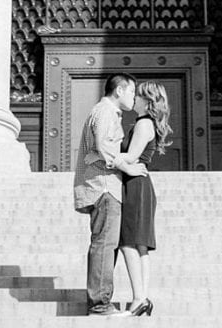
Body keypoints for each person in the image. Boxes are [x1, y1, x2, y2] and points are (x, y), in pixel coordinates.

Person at [72, 73, 145, 316]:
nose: (134, 98)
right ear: (119, 90)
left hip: (103, 186)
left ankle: (101, 301)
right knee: (104, 244)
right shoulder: (105, 112)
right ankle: (100, 304)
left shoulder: (106, 112)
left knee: (106, 244)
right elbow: (103, 146)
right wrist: (127, 167)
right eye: (132, 92)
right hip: (104, 187)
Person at [117, 81, 171, 317]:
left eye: (137, 94)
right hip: (139, 184)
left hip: (136, 185)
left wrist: (103, 153)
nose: (133, 98)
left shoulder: (143, 123)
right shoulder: (145, 123)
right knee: (139, 244)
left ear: (146, 101)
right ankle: (141, 298)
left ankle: (139, 298)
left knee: (129, 241)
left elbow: (131, 157)